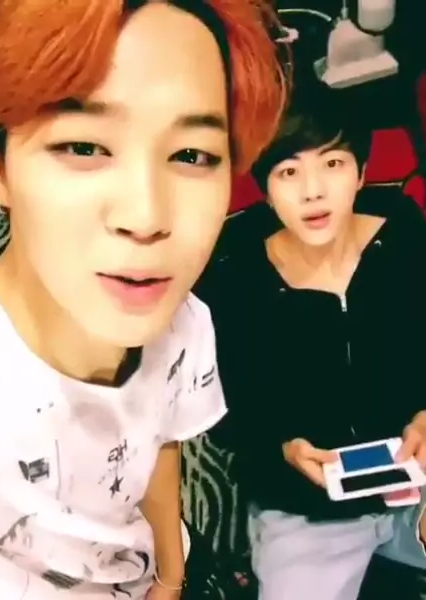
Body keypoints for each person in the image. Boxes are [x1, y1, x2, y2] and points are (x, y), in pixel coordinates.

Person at [0, 0, 286, 598]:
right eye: (83, 147)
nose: (146, 217)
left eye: (192, 155)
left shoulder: (185, 325)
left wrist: (171, 575)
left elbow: (160, 443)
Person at [195, 80, 426, 600]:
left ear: (361, 173)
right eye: (289, 171)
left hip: (416, 476)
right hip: (306, 510)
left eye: (333, 164)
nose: (313, 191)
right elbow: (227, 411)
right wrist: (283, 447)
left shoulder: (404, 236)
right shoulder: (235, 276)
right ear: (265, 187)